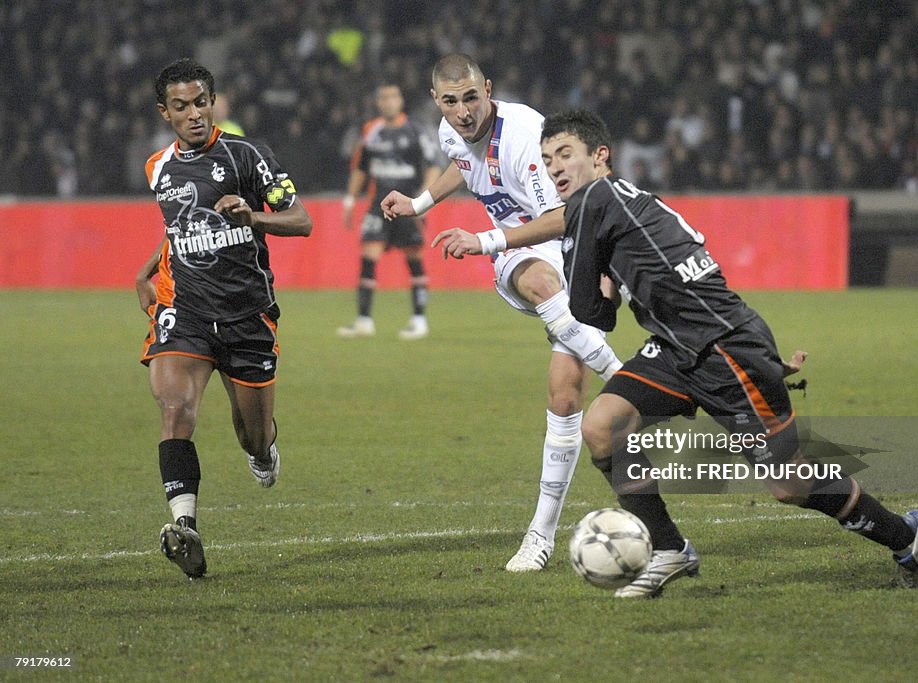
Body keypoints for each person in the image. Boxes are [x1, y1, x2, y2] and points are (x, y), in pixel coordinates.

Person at [531, 109, 918, 597]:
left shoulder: (597, 198)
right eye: (547, 159)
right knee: (603, 424)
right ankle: (668, 548)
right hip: (680, 347)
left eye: (565, 154)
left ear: (600, 157)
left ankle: (905, 536)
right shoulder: (612, 208)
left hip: (722, 350)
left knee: (790, 485)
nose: (555, 168)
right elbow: (607, 310)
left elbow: (588, 310)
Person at [382, 54, 623, 572]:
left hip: (568, 240)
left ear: (487, 88)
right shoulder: (451, 131)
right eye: (451, 101)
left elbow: (561, 217)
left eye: (472, 97)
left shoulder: (523, 138)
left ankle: (540, 534)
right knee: (539, 280)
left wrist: (483, 239)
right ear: (436, 101)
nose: (464, 111)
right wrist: (421, 204)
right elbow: (460, 164)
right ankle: (628, 379)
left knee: (564, 397)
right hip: (523, 254)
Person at [135, 58, 313, 579]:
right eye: (182, 106)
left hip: (246, 315)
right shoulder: (157, 168)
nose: (194, 114)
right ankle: (184, 525)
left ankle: (263, 451)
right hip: (185, 311)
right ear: (164, 112)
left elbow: (301, 221)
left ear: (213, 103)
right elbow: (178, 227)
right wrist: (146, 270)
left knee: (251, 435)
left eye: (201, 103)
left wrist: (252, 216)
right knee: (175, 407)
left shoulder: (247, 155)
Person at [337, 83, 442, 340]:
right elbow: (360, 168)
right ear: (378, 102)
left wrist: (422, 201)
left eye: (393, 97)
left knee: (414, 259)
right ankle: (364, 320)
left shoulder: (416, 131)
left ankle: (419, 320)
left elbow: (433, 166)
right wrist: (350, 201)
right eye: (383, 98)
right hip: (377, 206)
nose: (388, 102)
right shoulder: (371, 131)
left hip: (407, 206)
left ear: (401, 100)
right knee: (368, 257)